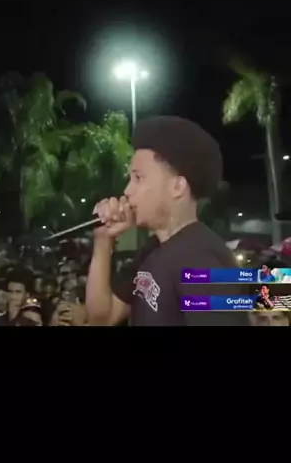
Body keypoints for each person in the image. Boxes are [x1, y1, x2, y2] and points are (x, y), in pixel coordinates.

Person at [86, 115, 243, 327]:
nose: (127, 190)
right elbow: (102, 317)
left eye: (138, 178)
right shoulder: (152, 251)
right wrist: (103, 241)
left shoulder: (202, 260)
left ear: (177, 187)